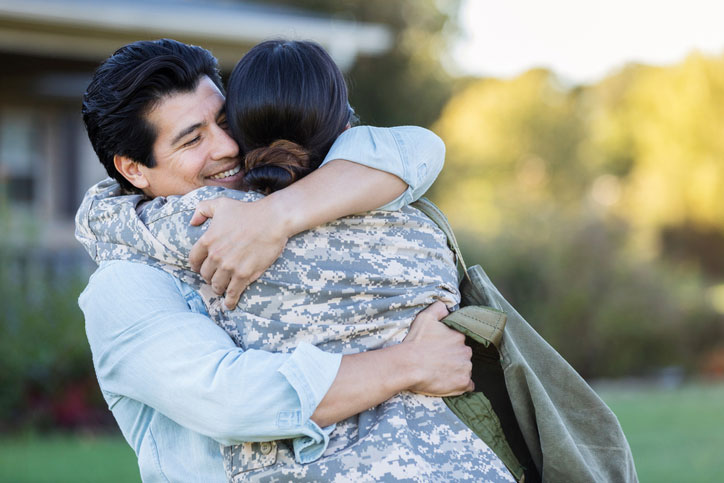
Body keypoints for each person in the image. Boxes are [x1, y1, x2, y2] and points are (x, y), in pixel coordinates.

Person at [79, 40, 516, 481]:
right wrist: (412, 363)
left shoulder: (280, 204)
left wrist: (275, 218)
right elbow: (234, 401)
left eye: (227, 121)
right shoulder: (124, 284)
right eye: (193, 139)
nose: (229, 146)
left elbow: (416, 148)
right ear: (133, 169)